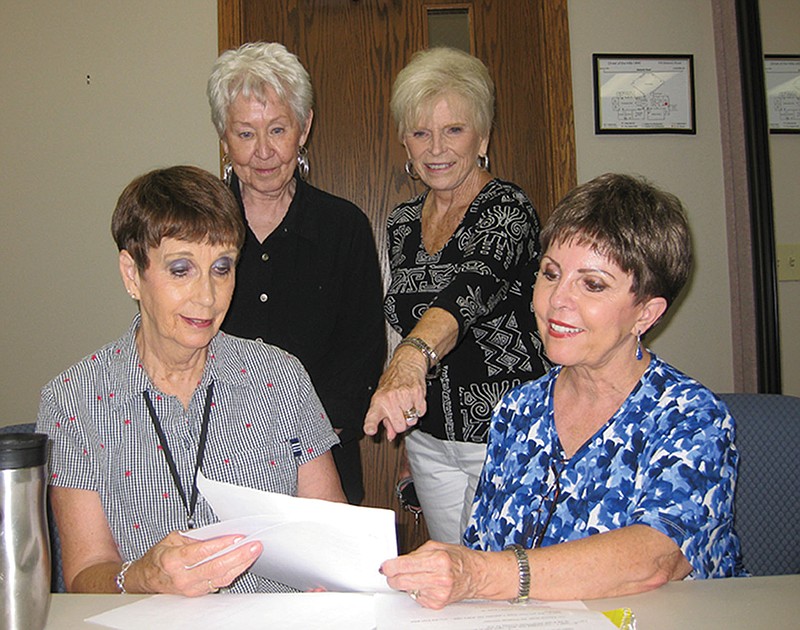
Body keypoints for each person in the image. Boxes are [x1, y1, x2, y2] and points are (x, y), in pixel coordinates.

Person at [378, 173, 744, 609]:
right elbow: (483, 546)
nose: (556, 301)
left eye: (592, 284)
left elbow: (656, 558)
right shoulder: (518, 409)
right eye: (550, 274)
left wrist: (479, 575)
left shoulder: (691, 417)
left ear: (646, 313)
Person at [36, 166, 346, 595]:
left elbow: (333, 536)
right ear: (132, 274)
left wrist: (333, 582)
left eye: (222, 268)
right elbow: (86, 573)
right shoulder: (74, 400)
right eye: (181, 269)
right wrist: (142, 576)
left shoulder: (281, 377)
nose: (207, 295)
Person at [363, 47, 549, 543]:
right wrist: (407, 427)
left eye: (454, 130)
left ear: (482, 136)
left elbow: (467, 294)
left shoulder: (507, 209)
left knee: (496, 581)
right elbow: (404, 317)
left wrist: (409, 360)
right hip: (430, 439)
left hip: (504, 434)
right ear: (404, 141)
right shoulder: (402, 223)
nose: (435, 148)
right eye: (420, 133)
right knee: (453, 578)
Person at [206, 42, 385, 505]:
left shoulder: (343, 227)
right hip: (212, 464)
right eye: (245, 134)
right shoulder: (198, 226)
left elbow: (361, 355)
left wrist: (299, 443)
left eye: (278, 129)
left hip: (322, 465)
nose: (263, 152)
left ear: (304, 128)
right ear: (224, 137)